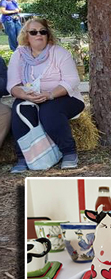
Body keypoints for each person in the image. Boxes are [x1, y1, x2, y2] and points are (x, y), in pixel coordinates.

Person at [7, 18, 85, 172]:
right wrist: (26, 96)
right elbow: (12, 85)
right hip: (31, 96)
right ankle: (23, 158)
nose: (39, 35)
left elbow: (72, 80)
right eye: (33, 32)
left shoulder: (59, 53)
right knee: (19, 109)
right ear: (26, 35)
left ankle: (69, 152)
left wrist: (50, 94)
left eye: (43, 31)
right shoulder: (19, 55)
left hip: (64, 97)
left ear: (48, 34)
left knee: (49, 111)